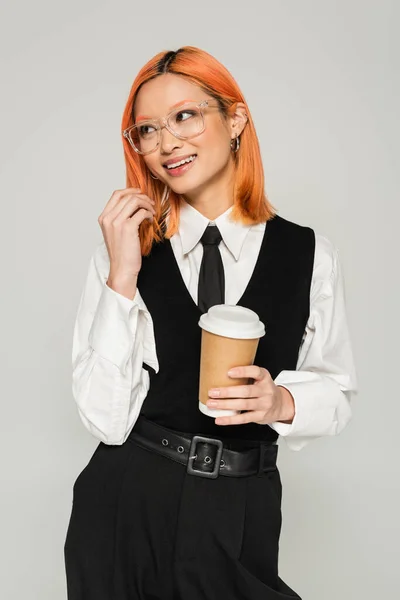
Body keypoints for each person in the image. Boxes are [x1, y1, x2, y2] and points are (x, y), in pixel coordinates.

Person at [63, 46, 358, 600]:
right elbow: (105, 420)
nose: (167, 142)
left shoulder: (309, 253)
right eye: (146, 130)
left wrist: (281, 404)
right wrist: (123, 274)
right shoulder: (122, 253)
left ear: (235, 120)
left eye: (184, 116)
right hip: (128, 503)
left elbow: (337, 390)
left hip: (241, 504)